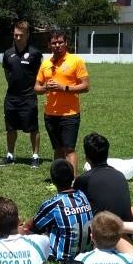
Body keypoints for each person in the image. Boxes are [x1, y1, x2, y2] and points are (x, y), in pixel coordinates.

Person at [35, 29, 89, 174]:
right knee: (57, 148)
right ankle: (59, 180)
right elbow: (36, 88)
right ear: (49, 45)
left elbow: (85, 86)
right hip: (50, 113)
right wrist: (46, 87)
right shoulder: (45, 64)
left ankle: (73, 180)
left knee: (69, 149)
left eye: (60, 42)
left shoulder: (76, 61)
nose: (57, 45)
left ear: (66, 43)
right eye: (54, 43)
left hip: (70, 113)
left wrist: (63, 88)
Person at [21, 159, 94, 261]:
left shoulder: (55, 204)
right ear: (73, 177)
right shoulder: (83, 196)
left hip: (63, 256)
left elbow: (32, 226)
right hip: (86, 251)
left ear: (53, 181)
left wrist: (21, 226)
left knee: (25, 232)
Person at [0, 20, 43, 168]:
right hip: (11, 97)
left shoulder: (35, 53)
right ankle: (10, 155)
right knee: (10, 128)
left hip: (29, 96)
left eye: (21, 35)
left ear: (27, 35)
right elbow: (7, 73)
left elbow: (40, 74)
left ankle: (35, 156)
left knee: (33, 128)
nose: (18, 38)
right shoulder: (8, 53)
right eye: (16, 35)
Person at [73, 133, 132, 222]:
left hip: (102, 231)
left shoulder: (84, 179)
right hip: (126, 229)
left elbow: (74, 208)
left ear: (86, 157)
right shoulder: (120, 175)